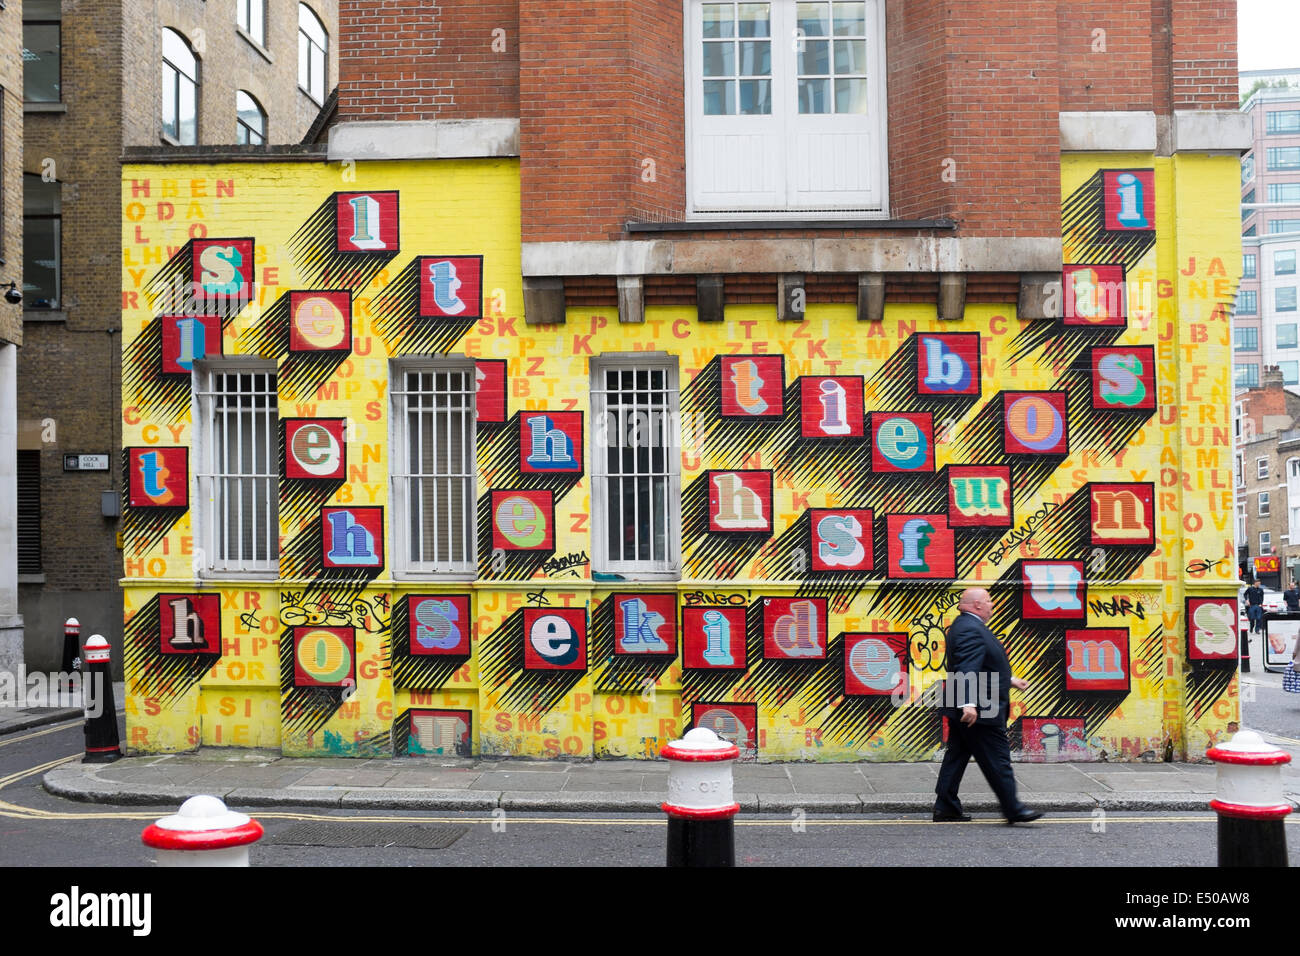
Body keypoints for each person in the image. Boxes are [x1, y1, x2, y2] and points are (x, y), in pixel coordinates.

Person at [933, 587, 1043, 825]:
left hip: (972, 704)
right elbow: (966, 667)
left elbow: (981, 663)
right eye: (989, 601)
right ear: (977, 605)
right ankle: (1013, 808)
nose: (993, 604)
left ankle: (946, 807)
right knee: (998, 758)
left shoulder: (967, 626)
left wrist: (1009, 680)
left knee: (958, 755)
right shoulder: (970, 629)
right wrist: (968, 704)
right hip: (981, 709)